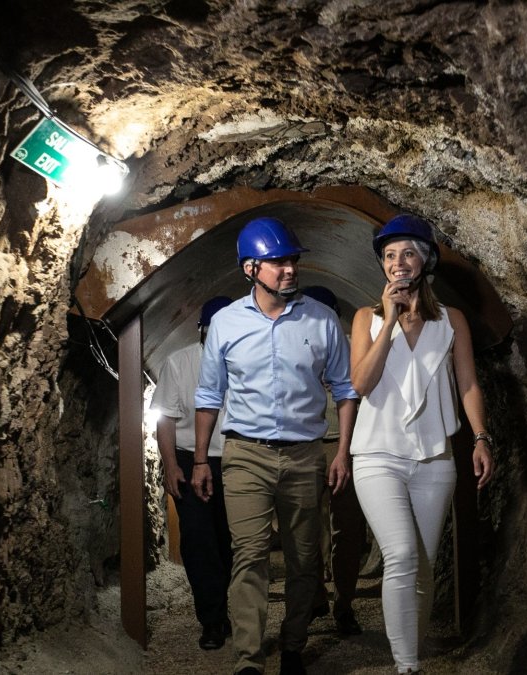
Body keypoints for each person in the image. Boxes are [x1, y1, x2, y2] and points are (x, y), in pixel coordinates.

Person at [193, 217, 358, 675]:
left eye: (292, 261)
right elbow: (209, 396)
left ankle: (292, 646)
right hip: (245, 454)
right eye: (277, 262)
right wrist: (202, 459)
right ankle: (248, 660)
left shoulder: (322, 321)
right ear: (250, 269)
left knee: (306, 557)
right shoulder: (225, 324)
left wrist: (341, 452)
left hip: (305, 455)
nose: (289, 269)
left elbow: (345, 391)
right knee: (249, 555)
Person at [348, 214, 495, 674]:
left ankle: (410, 645)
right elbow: (361, 382)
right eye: (390, 256)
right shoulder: (366, 319)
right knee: (403, 554)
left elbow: (468, 384)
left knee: (424, 567)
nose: (398, 263)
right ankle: (406, 665)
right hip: (377, 456)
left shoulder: (450, 321)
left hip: (435, 458)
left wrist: (480, 438)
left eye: (407, 253)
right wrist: (389, 321)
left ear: (425, 260)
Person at [152, 295, 235, 651]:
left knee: (230, 542)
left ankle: (230, 606)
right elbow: (166, 418)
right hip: (190, 459)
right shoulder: (179, 362)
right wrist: (170, 465)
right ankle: (213, 619)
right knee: (199, 541)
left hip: (236, 460)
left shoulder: (247, 362)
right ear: (202, 330)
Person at [301, 285, 367, 638]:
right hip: (308, 447)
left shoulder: (354, 346)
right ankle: (315, 599)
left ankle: (343, 604)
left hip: (348, 447)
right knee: (306, 530)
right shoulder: (294, 342)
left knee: (348, 530)